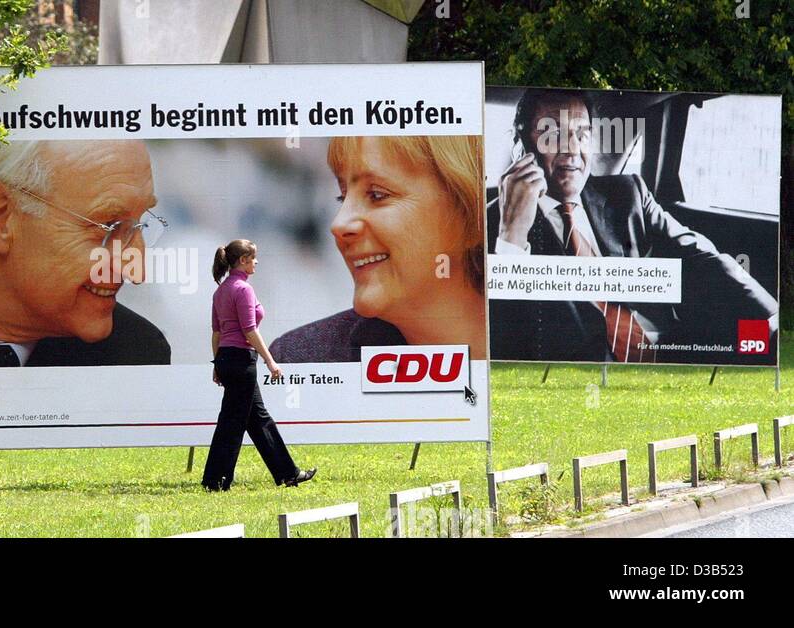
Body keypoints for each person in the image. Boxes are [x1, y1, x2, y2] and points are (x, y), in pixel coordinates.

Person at [488, 88, 777, 362]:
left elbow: (704, 259)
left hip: (668, 350)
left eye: (581, 134)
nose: (572, 149)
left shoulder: (627, 194)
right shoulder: (488, 224)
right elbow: (505, 340)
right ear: (521, 145)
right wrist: (512, 239)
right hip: (578, 373)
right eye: (553, 134)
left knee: (754, 344)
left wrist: (771, 324)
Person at [270, 135, 486, 362]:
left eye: (377, 195)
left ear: (468, 210)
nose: (338, 224)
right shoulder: (300, 359)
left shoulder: (521, 343)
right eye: (341, 197)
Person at [0, 139, 171, 368]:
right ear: (1, 218)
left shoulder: (136, 354)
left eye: (139, 225)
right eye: (110, 226)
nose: (136, 272)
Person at [203, 239, 315, 491]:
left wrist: (217, 363)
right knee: (232, 424)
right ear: (242, 260)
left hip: (227, 358)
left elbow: (217, 333)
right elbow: (249, 330)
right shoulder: (243, 289)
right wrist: (270, 360)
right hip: (242, 360)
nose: (256, 262)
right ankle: (216, 481)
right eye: (253, 258)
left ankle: (288, 473)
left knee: (258, 419)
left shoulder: (221, 291)